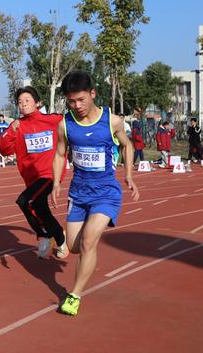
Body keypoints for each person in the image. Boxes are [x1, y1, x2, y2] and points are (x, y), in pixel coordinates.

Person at [51, 70, 138, 316]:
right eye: (71, 101)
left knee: (89, 241)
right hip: (78, 192)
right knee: (74, 246)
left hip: (106, 192)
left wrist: (129, 174)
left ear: (92, 94)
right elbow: (60, 154)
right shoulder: (65, 125)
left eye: (81, 99)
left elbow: (127, 145)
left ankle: (74, 295)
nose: (76, 106)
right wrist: (56, 182)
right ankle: (83, 261)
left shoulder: (112, 121)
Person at [0, 86, 67, 258]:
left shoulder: (53, 120)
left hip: (50, 174)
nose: (23, 104)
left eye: (27, 100)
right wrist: (11, 131)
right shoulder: (17, 126)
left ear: (38, 103)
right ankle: (57, 237)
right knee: (40, 208)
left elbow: (74, 123)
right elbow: (4, 150)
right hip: (31, 178)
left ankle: (45, 236)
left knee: (24, 201)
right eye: (20, 102)